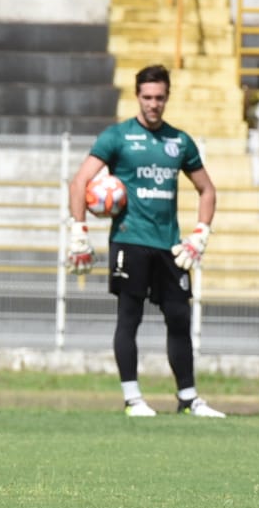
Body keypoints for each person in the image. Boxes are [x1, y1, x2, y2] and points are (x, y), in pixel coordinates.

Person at [66, 64, 225, 418]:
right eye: (147, 97)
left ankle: (188, 399)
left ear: (167, 98)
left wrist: (201, 234)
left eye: (160, 98)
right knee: (129, 318)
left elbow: (207, 189)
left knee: (180, 317)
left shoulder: (179, 141)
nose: (153, 104)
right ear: (137, 96)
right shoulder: (117, 137)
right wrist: (79, 231)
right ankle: (133, 399)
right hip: (129, 241)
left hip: (169, 245)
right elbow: (79, 183)